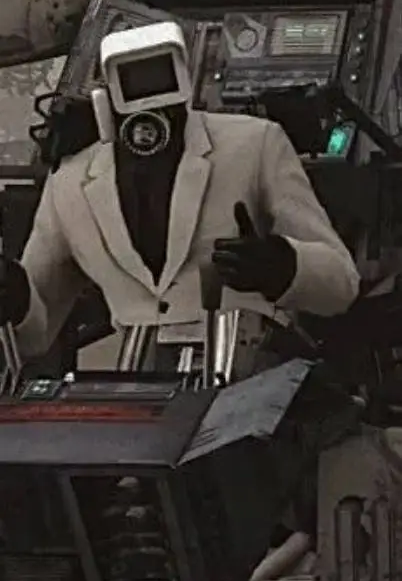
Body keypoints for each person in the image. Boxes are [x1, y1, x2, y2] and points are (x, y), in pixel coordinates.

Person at [0, 21, 360, 360]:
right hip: (130, 372)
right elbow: (35, 332)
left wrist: (285, 266)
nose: (149, 108)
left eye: (161, 81)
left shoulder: (253, 144)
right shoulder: (71, 180)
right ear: (103, 100)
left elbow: (342, 284)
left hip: (246, 363)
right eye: (130, 86)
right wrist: (15, 296)